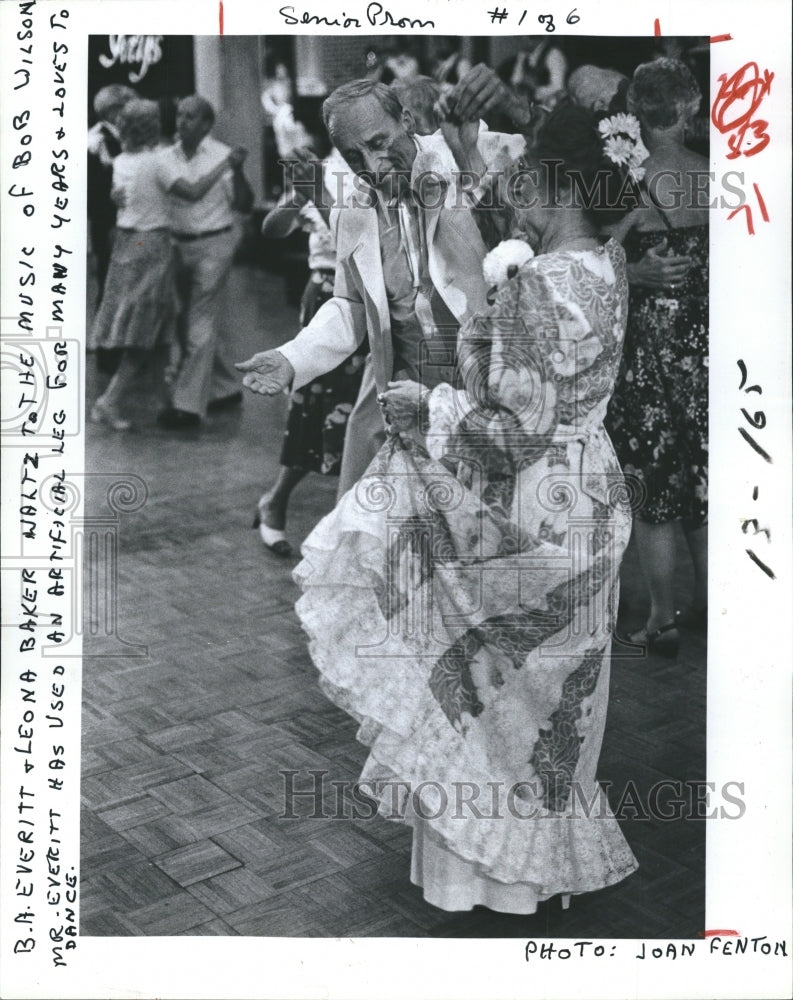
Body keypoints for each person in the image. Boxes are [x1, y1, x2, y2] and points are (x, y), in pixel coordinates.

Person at [288, 103, 639, 913]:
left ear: (557, 187)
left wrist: (430, 409)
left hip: (528, 502)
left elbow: (514, 434)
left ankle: (484, 881)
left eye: (527, 178)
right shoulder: (608, 265)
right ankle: (536, 871)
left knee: (491, 693)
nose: (515, 191)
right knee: (558, 695)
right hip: (591, 493)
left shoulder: (538, 285)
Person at [236, 72, 527, 495]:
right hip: (415, 397)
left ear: (406, 120)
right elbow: (350, 306)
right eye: (354, 157)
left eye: (379, 143)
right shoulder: (354, 211)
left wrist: (499, 128)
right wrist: (291, 358)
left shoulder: (468, 152)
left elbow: (533, 201)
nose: (371, 167)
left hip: (493, 386)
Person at [606, 58, 709, 655]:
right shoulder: (716, 175)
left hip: (645, 351)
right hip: (706, 349)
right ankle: (711, 604)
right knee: (705, 481)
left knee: (653, 486)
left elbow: (593, 265)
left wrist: (636, 271)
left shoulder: (627, 181)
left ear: (635, 110)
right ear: (692, 106)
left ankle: (661, 619)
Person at [157, 95, 254, 431]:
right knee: (186, 321)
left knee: (199, 321)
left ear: (207, 124)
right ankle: (224, 387)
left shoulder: (222, 155)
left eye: (191, 116)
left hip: (215, 243)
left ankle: (187, 406)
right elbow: (187, 192)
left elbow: (244, 203)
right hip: (178, 245)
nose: (182, 121)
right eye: (180, 115)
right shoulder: (166, 157)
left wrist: (237, 171)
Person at [89, 99, 177, 430]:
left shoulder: (121, 160)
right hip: (151, 244)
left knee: (156, 326)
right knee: (147, 327)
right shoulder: (157, 161)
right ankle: (109, 400)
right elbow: (188, 192)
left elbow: (120, 197)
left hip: (127, 243)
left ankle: (166, 402)